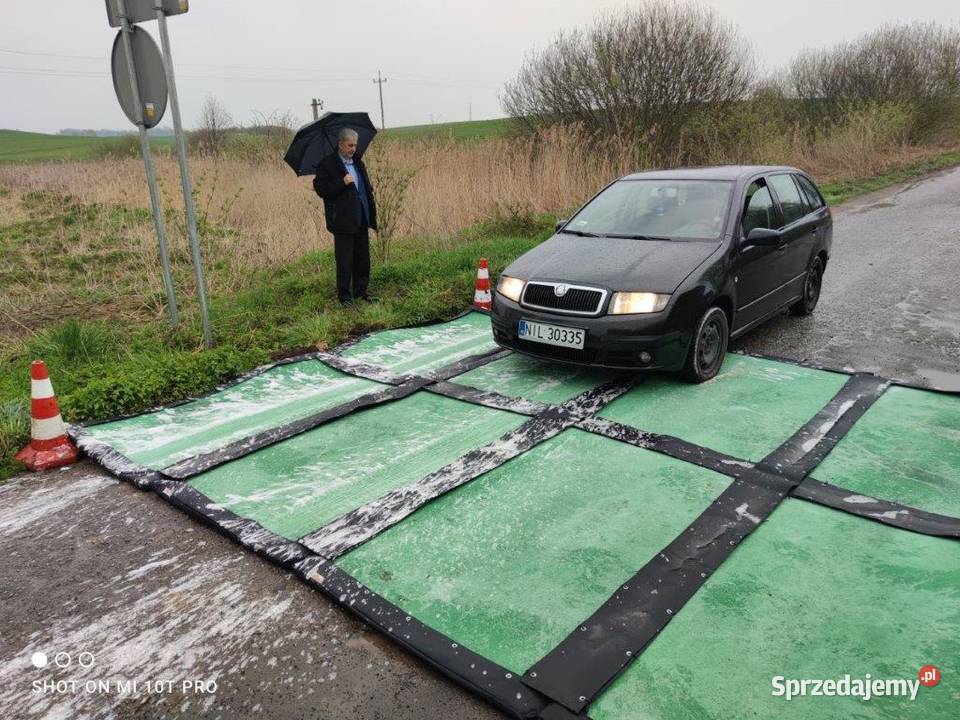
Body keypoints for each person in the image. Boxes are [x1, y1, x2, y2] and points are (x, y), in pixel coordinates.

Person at [313, 128, 378, 306]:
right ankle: (345, 297)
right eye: (350, 145)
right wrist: (341, 182)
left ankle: (361, 291)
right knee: (344, 260)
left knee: (363, 257)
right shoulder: (327, 165)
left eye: (355, 145)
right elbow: (321, 189)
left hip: (362, 217)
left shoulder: (358, 162)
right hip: (342, 220)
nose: (353, 149)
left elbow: (364, 186)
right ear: (340, 144)